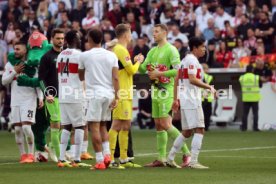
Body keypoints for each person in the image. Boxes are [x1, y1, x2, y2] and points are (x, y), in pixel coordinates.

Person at [139, 24, 191, 167]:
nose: (153, 34)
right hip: (155, 91)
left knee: (166, 124)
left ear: (164, 33)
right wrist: (138, 61)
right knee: (158, 126)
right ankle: (161, 158)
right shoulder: (152, 51)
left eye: (156, 31)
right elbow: (143, 69)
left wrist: (159, 73)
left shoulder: (171, 50)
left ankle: (187, 154)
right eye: (153, 32)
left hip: (167, 91)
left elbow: (178, 71)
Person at [167, 37, 216, 169]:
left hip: (186, 98)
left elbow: (177, 79)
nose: (204, 49)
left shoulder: (184, 60)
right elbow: (193, 79)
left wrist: (175, 99)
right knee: (200, 129)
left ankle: (170, 158)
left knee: (187, 132)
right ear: (195, 48)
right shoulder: (192, 60)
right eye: (202, 47)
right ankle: (193, 161)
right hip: (192, 99)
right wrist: (209, 87)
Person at [78, 28, 119, 170]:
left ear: (89, 39)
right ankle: (107, 155)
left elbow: (80, 76)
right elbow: (116, 77)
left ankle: (100, 161)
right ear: (101, 39)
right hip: (108, 94)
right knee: (103, 126)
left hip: (94, 94)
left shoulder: (84, 56)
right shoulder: (111, 55)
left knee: (93, 127)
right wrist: (117, 96)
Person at [108, 24, 144, 169]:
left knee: (126, 125)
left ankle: (124, 158)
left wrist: (134, 61)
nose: (131, 36)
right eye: (130, 33)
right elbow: (131, 70)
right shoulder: (121, 50)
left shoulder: (119, 49)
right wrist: (138, 62)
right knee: (116, 125)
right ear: (125, 35)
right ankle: (110, 158)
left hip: (126, 91)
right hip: (121, 92)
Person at [2, 41, 43, 163]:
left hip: (29, 99)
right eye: (15, 49)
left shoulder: (31, 65)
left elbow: (37, 82)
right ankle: (23, 155)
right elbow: (4, 81)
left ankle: (31, 154)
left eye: (18, 49)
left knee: (26, 127)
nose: (15, 51)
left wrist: (40, 97)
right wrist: (14, 71)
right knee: (18, 130)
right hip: (15, 101)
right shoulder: (10, 65)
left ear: (25, 51)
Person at [56, 30, 90, 168]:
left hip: (63, 94)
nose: (80, 39)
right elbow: (83, 75)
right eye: (79, 37)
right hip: (75, 94)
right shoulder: (79, 55)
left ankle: (61, 158)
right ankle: (77, 159)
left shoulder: (60, 55)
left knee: (66, 127)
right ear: (75, 39)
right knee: (80, 125)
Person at [38, 28, 65, 162]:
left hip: (66, 96)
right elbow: (41, 79)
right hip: (52, 97)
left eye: (62, 38)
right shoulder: (47, 57)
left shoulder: (66, 56)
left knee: (67, 126)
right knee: (56, 125)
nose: (60, 41)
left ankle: (50, 145)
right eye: (58, 38)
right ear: (52, 39)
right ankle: (61, 159)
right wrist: (46, 94)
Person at [239, 64, 261, 131]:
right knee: (255, 113)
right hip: (254, 98)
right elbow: (260, 85)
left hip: (246, 98)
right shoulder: (256, 77)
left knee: (245, 113)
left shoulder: (242, 78)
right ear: (252, 70)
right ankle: (255, 128)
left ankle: (244, 128)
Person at [201, 63, 214, 131]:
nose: (208, 70)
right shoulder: (209, 77)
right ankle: (206, 127)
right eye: (207, 68)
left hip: (200, 98)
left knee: (201, 115)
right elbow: (211, 87)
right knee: (207, 114)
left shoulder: (197, 76)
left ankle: (201, 127)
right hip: (208, 98)